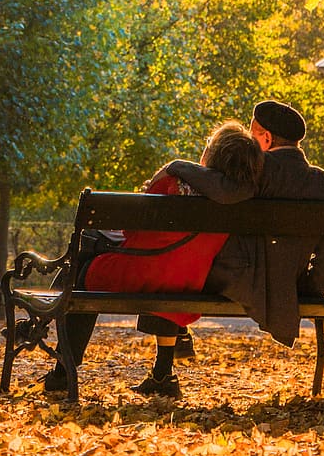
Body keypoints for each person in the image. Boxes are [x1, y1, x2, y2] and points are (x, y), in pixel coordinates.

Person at [44, 122, 265, 398]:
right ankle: (163, 372)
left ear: (213, 155)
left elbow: (133, 232)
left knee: (82, 273)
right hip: (187, 280)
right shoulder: (241, 202)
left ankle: (63, 372)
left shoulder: (172, 183)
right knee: (168, 266)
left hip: (141, 274)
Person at [155, 99, 324, 349]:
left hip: (237, 280)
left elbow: (222, 189)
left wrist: (177, 165)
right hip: (287, 287)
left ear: (266, 139)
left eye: (251, 133)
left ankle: (169, 354)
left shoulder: (254, 170)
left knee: (172, 261)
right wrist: (305, 291)